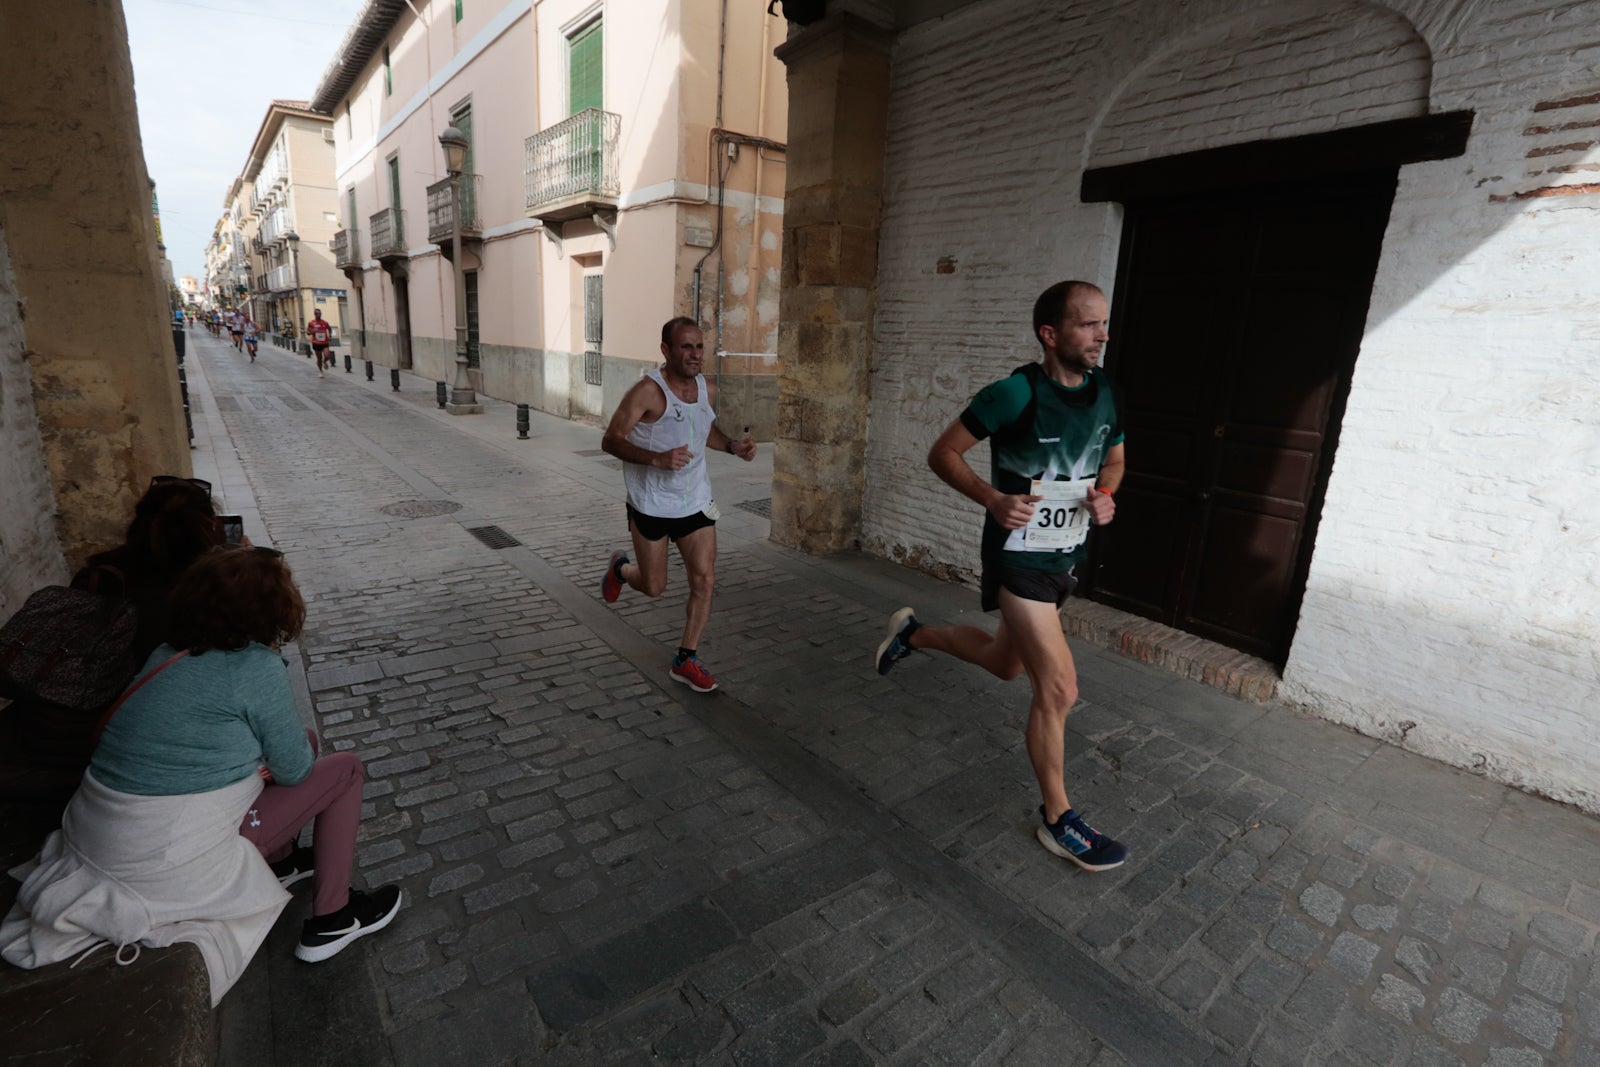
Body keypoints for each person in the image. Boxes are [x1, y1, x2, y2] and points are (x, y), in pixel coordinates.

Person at [0, 547, 402, 1002]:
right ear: (274, 609)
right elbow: (294, 772)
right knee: (344, 769)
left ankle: (282, 863)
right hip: (166, 856)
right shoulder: (255, 668)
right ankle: (334, 917)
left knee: (303, 738)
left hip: (99, 834)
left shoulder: (167, 654)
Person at [874, 280, 1129, 873]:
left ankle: (912, 634)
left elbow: (1113, 460)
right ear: (1051, 333)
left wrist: (1107, 496)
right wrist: (991, 498)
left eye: (1103, 324)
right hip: (1018, 559)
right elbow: (943, 453)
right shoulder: (1014, 394)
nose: (1102, 335)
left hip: (1064, 556)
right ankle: (1059, 819)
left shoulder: (1105, 392)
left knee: (1004, 662)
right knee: (1059, 689)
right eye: (1089, 325)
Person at [599, 317, 756, 693]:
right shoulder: (646, 392)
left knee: (705, 580)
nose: (695, 354)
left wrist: (733, 446)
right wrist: (655, 458)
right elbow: (610, 440)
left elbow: (705, 432)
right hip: (651, 504)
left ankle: (686, 659)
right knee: (654, 587)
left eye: (699, 347)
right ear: (666, 351)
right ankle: (621, 570)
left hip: (696, 501)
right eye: (686, 347)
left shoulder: (707, 390)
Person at [306, 308, 333, 376]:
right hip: (316, 343)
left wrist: (330, 336)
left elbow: (329, 328)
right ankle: (321, 371)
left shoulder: (325, 322)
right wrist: (312, 331)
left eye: (320, 313)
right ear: (315, 314)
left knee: (327, 355)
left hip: (324, 342)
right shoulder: (311, 323)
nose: (319, 315)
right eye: (317, 314)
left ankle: (325, 361)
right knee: (319, 358)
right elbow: (308, 332)